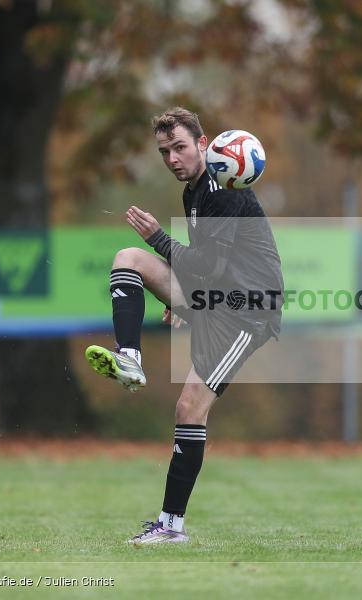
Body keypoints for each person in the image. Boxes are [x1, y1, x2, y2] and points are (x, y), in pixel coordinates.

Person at [85, 107, 284, 544]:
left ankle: (171, 528)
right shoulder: (193, 191)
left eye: (179, 147)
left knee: (189, 408)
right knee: (128, 260)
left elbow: (210, 265)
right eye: (164, 152)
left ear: (202, 143)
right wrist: (185, 296)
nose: (172, 158)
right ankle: (130, 359)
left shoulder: (225, 187)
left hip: (248, 311)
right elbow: (208, 265)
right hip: (215, 297)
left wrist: (159, 236)